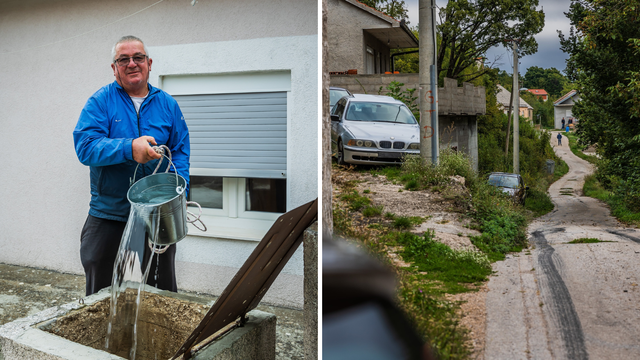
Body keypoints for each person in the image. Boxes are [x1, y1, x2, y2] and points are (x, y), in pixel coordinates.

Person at [73, 36, 190, 296]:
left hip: (156, 217)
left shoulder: (167, 104)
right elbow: (85, 147)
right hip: (109, 215)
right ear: (114, 68)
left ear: (149, 63)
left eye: (138, 57)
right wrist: (129, 148)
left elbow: (180, 151)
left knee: (158, 292)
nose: (131, 63)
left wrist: (178, 191)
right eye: (123, 59)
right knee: (102, 293)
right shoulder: (100, 102)